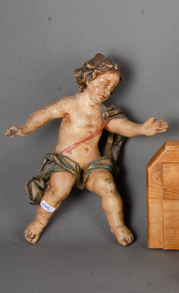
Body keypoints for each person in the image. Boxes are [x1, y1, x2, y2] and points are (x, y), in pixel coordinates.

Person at [6, 54, 168, 246]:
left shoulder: (104, 112)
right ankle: (39, 222)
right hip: (65, 163)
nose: (107, 92)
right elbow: (45, 114)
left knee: (108, 186)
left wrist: (141, 129)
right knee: (59, 190)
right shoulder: (70, 104)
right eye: (105, 84)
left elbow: (120, 126)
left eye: (112, 88)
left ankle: (117, 226)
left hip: (92, 165)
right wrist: (25, 128)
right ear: (89, 78)